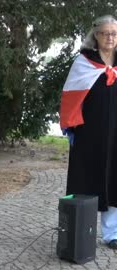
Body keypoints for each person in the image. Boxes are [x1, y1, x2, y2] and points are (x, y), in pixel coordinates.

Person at [60, 15, 117, 250]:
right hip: (88, 133)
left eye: (114, 33)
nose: (110, 38)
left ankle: (112, 233)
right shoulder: (84, 62)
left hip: (116, 134)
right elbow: (70, 96)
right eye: (105, 33)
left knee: (114, 179)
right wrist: (71, 127)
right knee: (86, 179)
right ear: (96, 35)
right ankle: (80, 230)